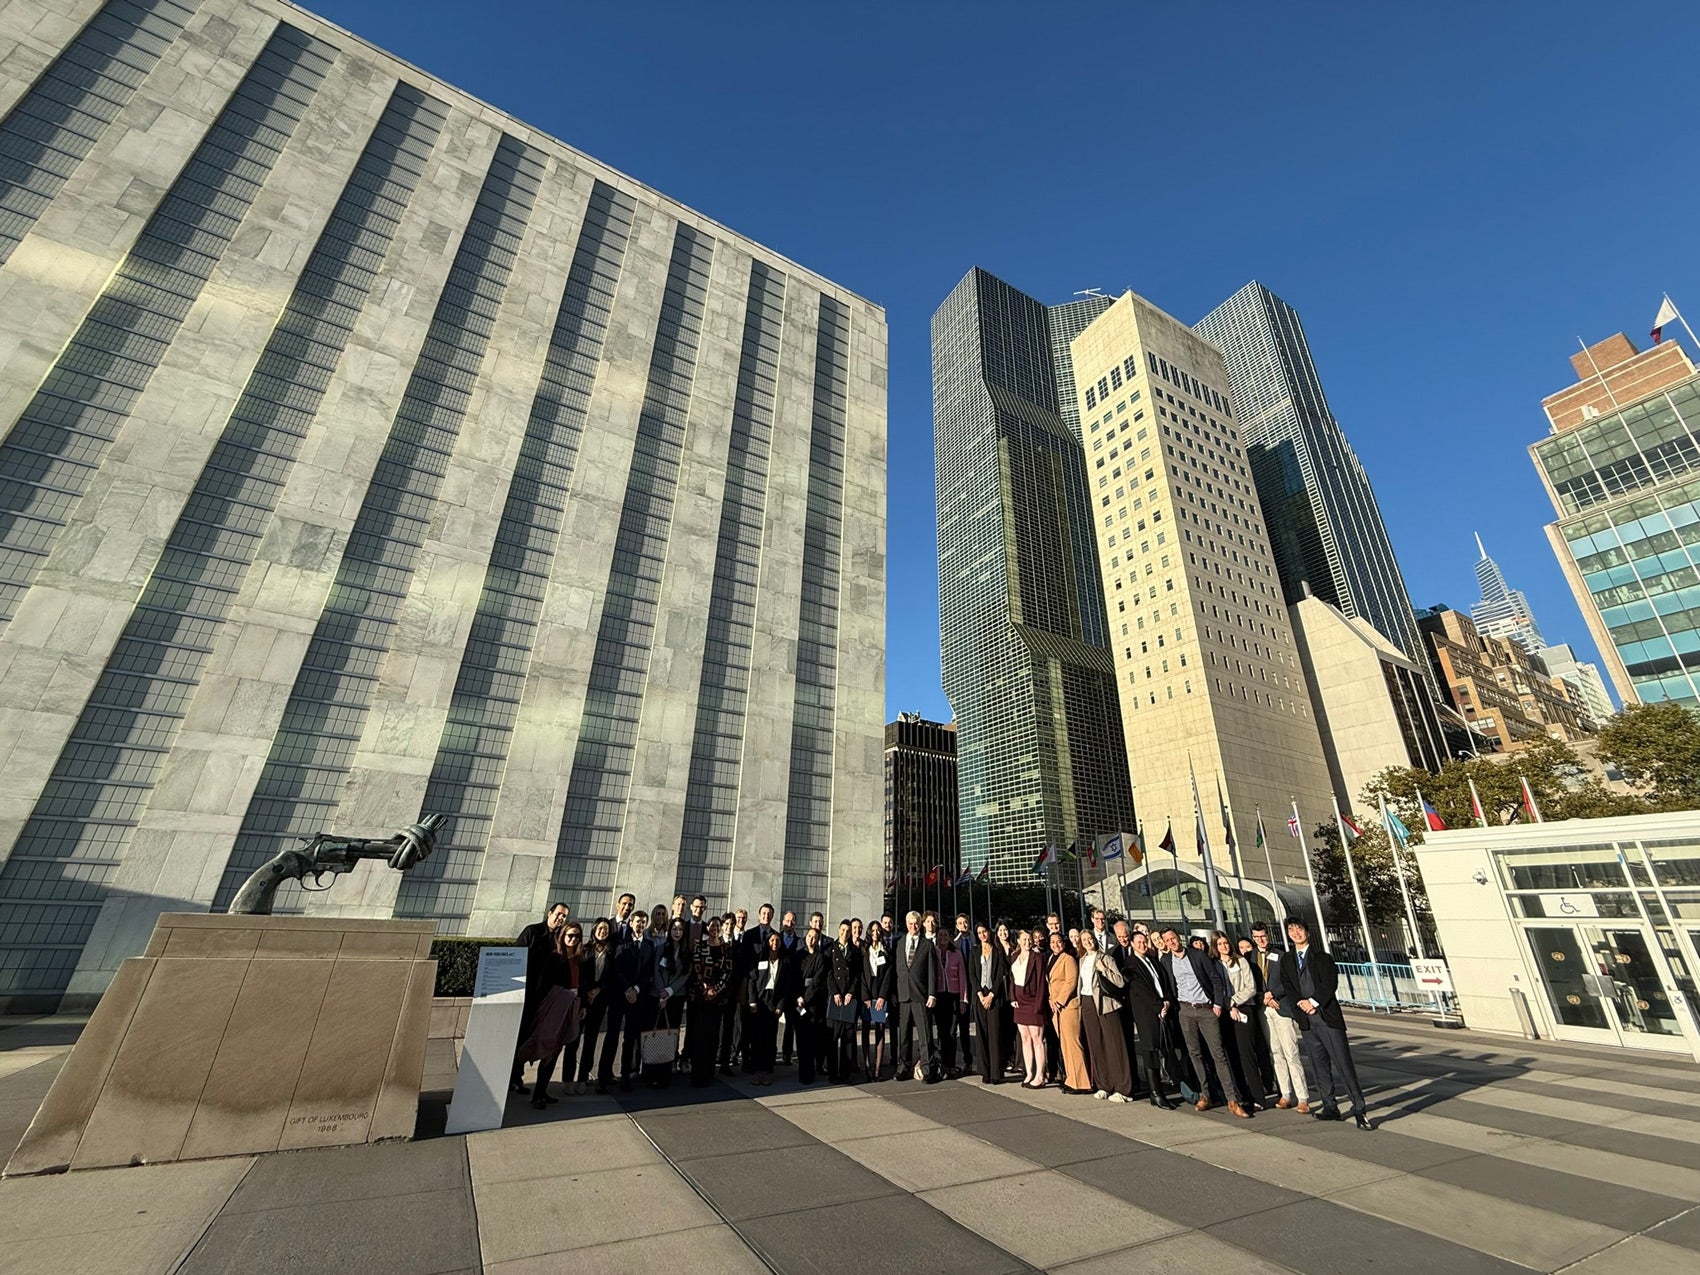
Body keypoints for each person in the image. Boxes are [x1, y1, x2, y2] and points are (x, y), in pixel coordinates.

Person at [1282, 917, 1371, 1129]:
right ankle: (1329, 1105)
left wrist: (1313, 1002)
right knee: (1319, 1065)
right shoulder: (1288, 960)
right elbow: (1289, 985)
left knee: (1343, 1064)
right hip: (1307, 1020)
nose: (1296, 933)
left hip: (1326, 1017)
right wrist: (1301, 1004)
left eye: (1299, 929)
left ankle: (1359, 1109)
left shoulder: (1322, 958)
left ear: (1307, 932)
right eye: (1291, 930)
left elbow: (1330, 984)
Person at [1159, 928, 1251, 1118]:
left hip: (1206, 1009)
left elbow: (1215, 980)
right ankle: (1205, 1094)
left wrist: (1217, 1003)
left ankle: (1232, 1099)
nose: (1171, 942)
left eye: (1173, 938)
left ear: (1179, 938)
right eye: (1167, 940)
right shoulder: (1166, 961)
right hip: (1185, 1010)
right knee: (1194, 1053)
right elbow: (1168, 986)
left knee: (1218, 1054)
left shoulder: (1197, 955)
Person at [519, 918, 584, 1108]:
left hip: (572, 1007)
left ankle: (542, 1091)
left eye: (577, 936)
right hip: (555, 1008)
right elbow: (544, 985)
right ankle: (537, 1093)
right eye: (570, 935)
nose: (573, 939)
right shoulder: (554, 957)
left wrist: (582, 1006)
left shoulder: (580, 959)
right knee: (547, 1048)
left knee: (557, 1050)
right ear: (563, 936)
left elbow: (583, 983)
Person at [511, 901, 569, 1094]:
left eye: (564, 916)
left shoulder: (560, 939)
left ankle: (517, 1078)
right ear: (549, 913)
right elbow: (515, 959)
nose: (560, 918)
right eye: (559, 914)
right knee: (517, 1038)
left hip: (544, 998)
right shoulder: (532, 932)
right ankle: (512, 1078)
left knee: (530, 1039)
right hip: (525, 995)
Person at [1251, 922, 1309, 1112]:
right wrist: (1264, 998)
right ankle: (1285, 1094)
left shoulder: (1282, 955)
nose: (1261, 939)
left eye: (1263, 936)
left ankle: (1302, 1097)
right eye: (1257, 937)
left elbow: (1289, 981)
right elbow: (1250, 985)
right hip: (1264, 1009)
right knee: (1275, 1053)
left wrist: (1273, 994)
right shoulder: (1249, 957)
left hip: (1282, 1008)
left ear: (1269, 936)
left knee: (1291, 1052)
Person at [1122, 930, 1178, 1108]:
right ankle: (1156, 1093)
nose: (1142, 945)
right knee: (1150, 1050)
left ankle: (1168, 1086)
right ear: (1132, 944)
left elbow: (1165, 982)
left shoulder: (1152, 960)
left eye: (1144, 942)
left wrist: (1167, 1001)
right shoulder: (1130, 964)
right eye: (1138, 942)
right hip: (1147, 1012)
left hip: (1163, 1008)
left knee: (1163, 1048)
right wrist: (1158, 1006)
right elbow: (1140, 988)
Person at [1077, 932, 1134, 1102]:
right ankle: (1104, 1084)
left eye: (1090, 939)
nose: (1088, 942)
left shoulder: (1106, 958)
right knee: (1096, 1044)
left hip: (1105, 1003)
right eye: (1084, 940)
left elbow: (1119, 981)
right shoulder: (1082, 960)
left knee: (1114, 1045)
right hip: (1087, 1002)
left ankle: (1122, 1087)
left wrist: (1104, 969)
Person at [1214, 931, 1262, 1112]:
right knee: (1231, 1055)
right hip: (1226, 1012)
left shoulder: (1241, 961)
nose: (1224, 947)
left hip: (1243, 1007)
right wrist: (1228, 1006)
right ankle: (1241, 1095)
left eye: (1226, 943)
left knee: (1246, 1054)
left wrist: (1234, 1001)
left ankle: (1257, 1097)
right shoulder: (1215, 965)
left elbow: (1251, 987)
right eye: (1219, 944)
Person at [892, 910, 937, 1081]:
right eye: (910, 923)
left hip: (921, 996)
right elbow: (898, 970)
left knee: (925, 1035)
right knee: (903, 1035)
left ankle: (927, 1069)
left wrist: (932, 994)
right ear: (906, 924)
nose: (913, 926)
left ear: (920, 924)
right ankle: (903, 1067)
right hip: (904, 996)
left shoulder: (927, 945)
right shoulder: (900, 943)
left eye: (916, 923)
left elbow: (933, 972)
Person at [688, 916, 733, 1087]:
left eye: (717, 926)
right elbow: (696, 967)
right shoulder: (700, 946)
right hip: (701, 998)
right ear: (708, 927)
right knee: (700, 1035)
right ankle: (697, 1072)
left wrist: (716, 989)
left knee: (713, 1036)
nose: (715, 928)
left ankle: (709, 1072)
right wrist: (704, 987)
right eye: (712, 925)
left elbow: (728, 971)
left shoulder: (726, 948)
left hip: (717, 999)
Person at [1048, 931, 1091, 1094]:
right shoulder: (1052, 959)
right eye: (1052, 942)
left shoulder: (1068, 959)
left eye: (1058, 942)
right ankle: (1071, 1079)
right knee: (1065, 1045)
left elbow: (1071, 981)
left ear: (1063, 943)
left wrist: (1060, 1000)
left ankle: (1082, 1082)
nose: (1055, 945)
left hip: (1068, 1006)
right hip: (1055, 1008)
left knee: (1073, 1044)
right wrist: (1052, 1000)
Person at [576, 919, 616, 1090]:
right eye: (600, 928)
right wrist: (587, 992)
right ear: (594, 930)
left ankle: (584, 1075)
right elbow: (581, 974)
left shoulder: (610, 952)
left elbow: (611, 976)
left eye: (606, 929)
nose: (603, 932)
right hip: (583, 1000)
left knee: (591, 1039)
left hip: (599, 1000)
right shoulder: (585, 949)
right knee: (575, 1039)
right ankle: (571, 1079)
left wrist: (598, 990)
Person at [928, 912, 968, 1078]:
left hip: (953, 995)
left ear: (949, 937)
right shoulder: (933, 952)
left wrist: (963, 999)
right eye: (940, 935)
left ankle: (951, 1064)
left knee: (952, 1032)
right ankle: (943, 1065)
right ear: (937, 937)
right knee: (942, 1031)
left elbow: (963, 977)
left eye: (945, 935)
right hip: (939, 996)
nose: (943, 937)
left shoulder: (956, 953)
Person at [968, 921, 1009, 1084]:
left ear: (989, 932)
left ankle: (996, 1072)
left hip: (994, 996)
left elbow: (1000, 975)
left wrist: (991, 995)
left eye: (984, 931)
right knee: (982, 1034)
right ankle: (984, 1070)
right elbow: (972, 975)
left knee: (995, 1034)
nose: (982, 935)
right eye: (979, 933)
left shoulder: (998, 952)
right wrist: (980, 994)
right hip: (979, 996)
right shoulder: (974, 951)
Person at [745, 929, 785, 1085]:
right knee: (757, 1038)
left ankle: (768, 1071)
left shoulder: (783, 961)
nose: (774, 943)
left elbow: (784, 987)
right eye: (772, 940)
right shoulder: (760, 958)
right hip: (760, 1001)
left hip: (774, 1002)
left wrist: (780, 1006)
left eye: (777, 941)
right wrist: (752, 1001)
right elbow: (752, 981)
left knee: (770, 1039)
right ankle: (757, 1070)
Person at [1009, 928, 1047, 1087]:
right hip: (1019, 1002)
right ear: (1018, 940)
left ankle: (1040, 1074)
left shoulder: (1037, 958)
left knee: (1037, 1039)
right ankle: (1029, 1072)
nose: (1027, 942)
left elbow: (1040, 983)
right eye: (1024, 939)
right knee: (1025, 1039)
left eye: (1029, 939)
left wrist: (1038, 1005)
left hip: (1033, 1002)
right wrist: (1012, 997)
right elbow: (1011, 979)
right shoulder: (1014, 957)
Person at [828, 919, 861, 1081]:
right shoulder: (831, 949)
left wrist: (850, 993)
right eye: (843, 930)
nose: (845, 933)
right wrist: (835, 992)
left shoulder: (854, 951)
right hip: (835, 998)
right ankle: (833, 1073)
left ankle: (845, 1072)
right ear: (838, 930)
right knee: (833, 1037)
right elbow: (828, 974)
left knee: (848, 1036)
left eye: (848, 931)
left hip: (849, 998)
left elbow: (856, 975)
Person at [861, 920, 893, 1079]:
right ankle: (867, 1066)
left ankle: (877, 1068)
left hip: (880, 993)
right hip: (867, 993)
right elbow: (861, 975)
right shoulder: (864, 950)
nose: (875, 933)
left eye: (878, 930)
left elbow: (888, 975)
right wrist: (865, 997)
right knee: (866, 1029)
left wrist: (882, 997)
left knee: (880, 1029)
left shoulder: (886, 950)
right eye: (872, 930)